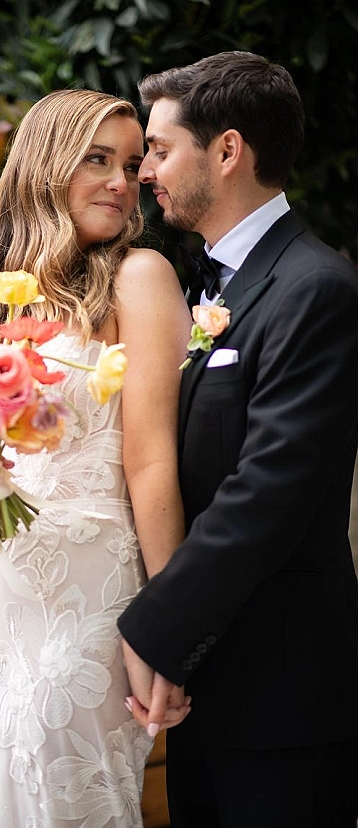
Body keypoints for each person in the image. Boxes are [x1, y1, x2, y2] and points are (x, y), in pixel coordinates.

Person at [117, 51, 358, 828]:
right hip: (208, 688)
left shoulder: (315, 289)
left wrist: (153, 630)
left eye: (158, 149)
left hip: (282, 699)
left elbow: (268, 492)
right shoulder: (207, 286)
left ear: (226, 151)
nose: (145, 171)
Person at [0, 88, 192, 826]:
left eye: (130, 162)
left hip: (90, 612)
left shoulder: (138, 277)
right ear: (45, 167)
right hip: (2, 611)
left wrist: (167, 628)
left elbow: (151, 464)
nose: (122, 181)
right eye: (96, 159)